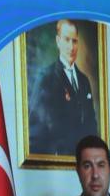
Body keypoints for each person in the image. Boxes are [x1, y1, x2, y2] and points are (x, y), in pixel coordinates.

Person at [29, 19, 98, 155]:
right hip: (57, 159)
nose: (71, 47)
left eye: (74, 41)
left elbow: (91, 125)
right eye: (67, 40)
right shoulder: (46, 78)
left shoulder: (84, 81)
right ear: (58, 41)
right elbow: (37, 128)